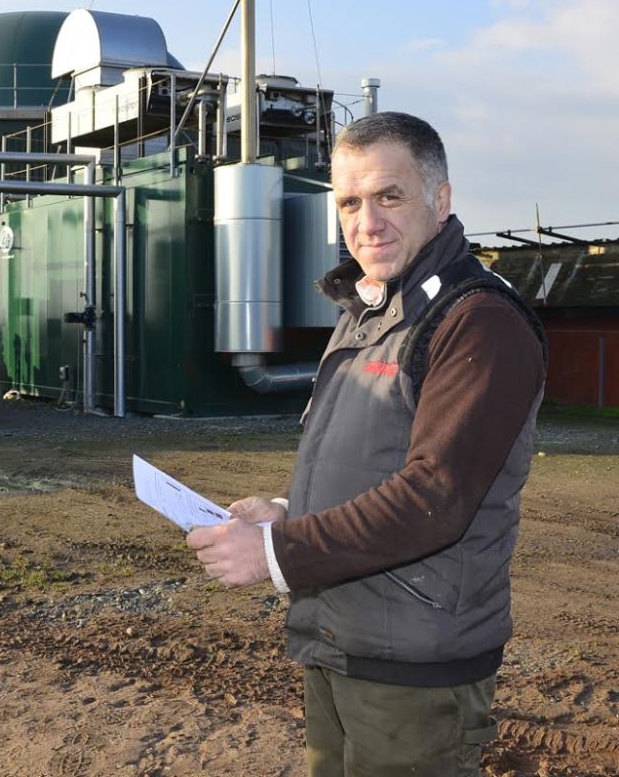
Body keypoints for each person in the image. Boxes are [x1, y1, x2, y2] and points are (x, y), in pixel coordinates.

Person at [186, 112, 546, 776]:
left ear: (440, 199)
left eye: (389, 195)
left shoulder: (477, 322)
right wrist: (288, 509)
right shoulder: (368, 313)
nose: (366, 221)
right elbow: (372, 463)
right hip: (341, 640)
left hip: (416, 669)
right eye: (349, 201)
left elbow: (434, 497)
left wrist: (274, 550)